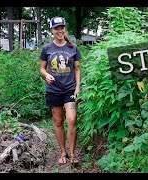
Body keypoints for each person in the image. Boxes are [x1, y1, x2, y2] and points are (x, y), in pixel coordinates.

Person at [40, 16, 82, 164]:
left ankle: (73, 154)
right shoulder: (47, 48)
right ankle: (63, 153)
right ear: (51, 30)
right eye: (56, 28)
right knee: (58, 122)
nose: (60, 31)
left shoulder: (73, 47)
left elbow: (77, 68)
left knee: (71, 120)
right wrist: (46, 75)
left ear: (65, 29)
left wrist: (78, 86)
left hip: (70, 88)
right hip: (54, 90)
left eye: (62, 28)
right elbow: (42, 68)